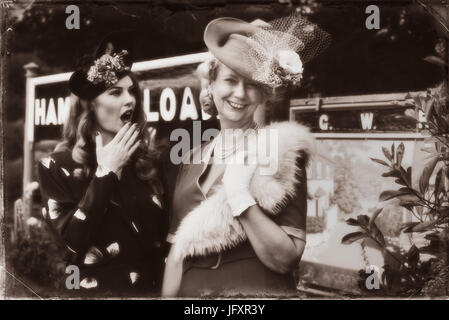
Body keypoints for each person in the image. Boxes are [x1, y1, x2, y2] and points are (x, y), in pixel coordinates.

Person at [162, 14, 330, 297]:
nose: (240, 93)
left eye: (252, 83)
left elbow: (286, 258)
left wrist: (239, 195)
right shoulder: (190, 158)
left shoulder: (281, 152)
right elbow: (177, 253)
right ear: (211, 86)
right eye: (230, 80)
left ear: (264, 94)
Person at [37, 35, 168, 296]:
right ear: (90, 107)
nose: (129, 99)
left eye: (132, 91)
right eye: (116, 92)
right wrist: (105, 173)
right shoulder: (56, 166)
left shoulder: (149, 162)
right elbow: (73, 245)